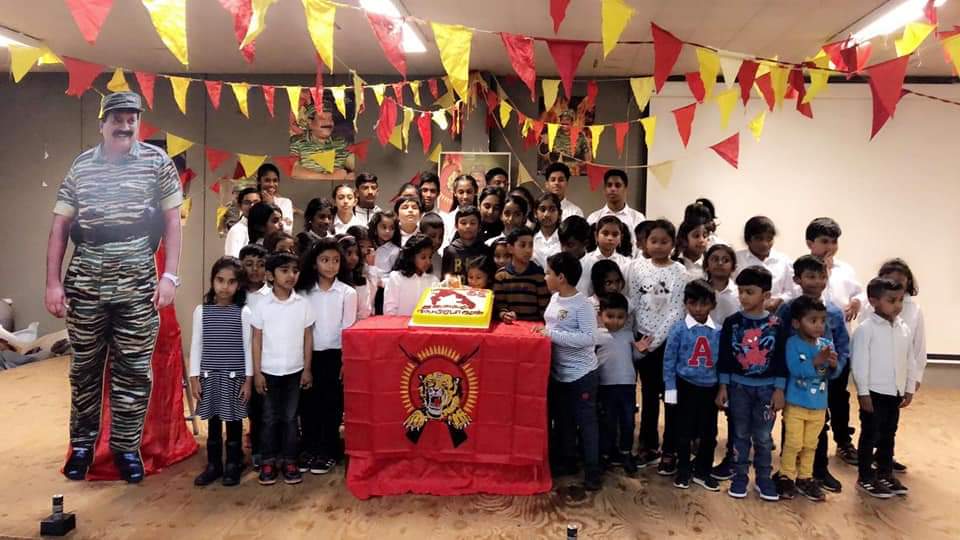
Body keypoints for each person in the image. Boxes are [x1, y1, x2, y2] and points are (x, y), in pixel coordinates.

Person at [48, 92, 184, 483]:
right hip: (86, 277)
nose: (125, 126)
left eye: (132, 119)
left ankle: (126, 449)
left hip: (138, 279)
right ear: (102, 124)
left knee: (134, 370)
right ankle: (82, 446)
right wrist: (53, 282)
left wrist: (169, 276)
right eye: (117, 119)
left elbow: (172, 222)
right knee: (84, 369)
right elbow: (60, 227)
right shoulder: (81, 166)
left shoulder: (157, 163)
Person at [774, 255, 850, 494]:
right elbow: (780, 344)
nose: (817, 282)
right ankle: (786, 473)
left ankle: (817, 471)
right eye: (810, 276)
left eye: (822, 276)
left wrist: (834, 367)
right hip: (795, 389)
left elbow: (842, 346)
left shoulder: (834, 311)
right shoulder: (789, 309)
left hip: (820, 392)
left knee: (816, 433)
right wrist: (780, 382)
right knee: (792, 434)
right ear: (798, 279)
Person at [716, 265, 786, 501]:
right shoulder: (732, 322)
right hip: (738, 388)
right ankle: (740, 476)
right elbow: (725, 357)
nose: (743, 297)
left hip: (767, 389)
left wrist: (779, 389)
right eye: (741, 291)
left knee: (764, 437)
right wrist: (723, 386)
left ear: (766, 295)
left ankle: (764, 477)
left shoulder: (777, 325)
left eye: (749, 292)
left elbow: (781, 359)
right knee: (740, 433)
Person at [626, 219, 689, 473]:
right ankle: (648, 446)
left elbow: (677, 310)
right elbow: (634, 301)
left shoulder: (679, 272)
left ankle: (671, 449)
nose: (659, 246)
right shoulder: (637, 267)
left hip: (668, 344)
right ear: (645, 243)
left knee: (671, 397)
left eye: (664, 241)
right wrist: (636, 339)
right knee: (649, 396)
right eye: (654, 241)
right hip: (642, 341)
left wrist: (653, 342)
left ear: (673, 244)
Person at [251, 251, 315, 486]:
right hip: (268, 371)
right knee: (269, 418)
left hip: (294, 371)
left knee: (290, 418)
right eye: (284, 271)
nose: (291, 276)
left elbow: (308, 338)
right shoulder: (261, 305)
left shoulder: (303, 304)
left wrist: (307, 369)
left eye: (295, 271)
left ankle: (289, 460)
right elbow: (256, 340)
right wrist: (257, 373)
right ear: (270, 275)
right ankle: (268, 460)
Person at [538, 251, 601, 490]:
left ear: (561, 277)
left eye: (548, 273)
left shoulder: (583, 305)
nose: (545, 277)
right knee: (563, 421)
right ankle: (568, 462)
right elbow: (550, 327)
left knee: (586, 424)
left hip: (581, 375)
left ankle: (593, 472)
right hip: (558, 373)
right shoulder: (555, 298)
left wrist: (551, 335)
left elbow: (589, 338)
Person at [190, 256, 252, 487]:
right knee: (213, 423)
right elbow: (196, 345)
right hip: (210, 377)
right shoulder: (201, 311)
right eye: (220, 280)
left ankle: (234, 463)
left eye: (231, 282)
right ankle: (214, 465)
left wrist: (248, 380)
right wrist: (194, 377)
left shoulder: (243, 312)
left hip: (234, 377)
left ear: (239, 285)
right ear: (212, 280)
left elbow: (248, 348)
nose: (225, 287)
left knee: (233, 422)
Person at [852, 277, 917, 499]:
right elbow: (859, 363)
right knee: (870, 435)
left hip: (894, 392)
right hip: (874, 393)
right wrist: (863, 392)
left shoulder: (903, 328)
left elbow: (910, 359)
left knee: (889, 435)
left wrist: (909, 387)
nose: (897, 305)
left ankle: (885, 473)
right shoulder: (866, 329)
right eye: (891, 300)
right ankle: (865, 477)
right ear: (873, 301)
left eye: (900, 300)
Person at [296, 237, 356, 476]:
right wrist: (304, 362)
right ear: (314, 263)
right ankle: (309, 447)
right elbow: (302, 328)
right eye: (325, 260)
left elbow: (348, 328)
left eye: (335, 260)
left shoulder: (347, 292)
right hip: (308, 355)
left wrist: (345, 360)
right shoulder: (303, 292)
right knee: (308, 404)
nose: (331, 265)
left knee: (332, 405)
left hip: (335, 355)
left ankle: (329, 450)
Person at [779, 296, 840, 502]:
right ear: (797, 323)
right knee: (793, 443)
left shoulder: (826, 344)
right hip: (796, 404)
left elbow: (830, 374)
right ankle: (786, 476)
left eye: (822, 320)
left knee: (810, 444)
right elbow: (795, 370)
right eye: (813, 320)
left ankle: (805, 477)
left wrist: (833, 365)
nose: (819, 325)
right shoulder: (792, 343)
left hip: (819, 405)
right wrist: (816, 361)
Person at [663, 280, 721, 491]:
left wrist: (724, 389)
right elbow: (669, 360)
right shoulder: (679, 329)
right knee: (683, 431)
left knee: (709, 433)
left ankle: (703, 471)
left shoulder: (719, 331)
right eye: (692, 303)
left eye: (703, 304)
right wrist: (670, 387)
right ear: (685, 303)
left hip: (710, 388)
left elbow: (722, 363)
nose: (698, 309)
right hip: (685, 386)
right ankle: (683, 470)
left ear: (712, 304)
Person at [595, 293, 638, 475]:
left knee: (628, 421)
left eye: (620, 317)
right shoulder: (597, 336)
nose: (615, 321)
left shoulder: (629, 335)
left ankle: (626, 453)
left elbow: (635, 357)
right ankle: (605, 454)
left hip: (627, 386)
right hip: (605, 386)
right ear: (600, 315)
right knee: (607, 422)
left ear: (627, 317)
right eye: (610, 316)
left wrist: (641, 350)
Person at [239, 244, 269, 469]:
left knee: (267, 408)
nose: (255, 269)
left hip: (267, 359)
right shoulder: (236, 295)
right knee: (251, 409)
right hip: (241, 360)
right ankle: (254, 448)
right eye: (249, 264)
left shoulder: (272, 294)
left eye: (260, 265)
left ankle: (268, 450)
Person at [805, 218, 865, 324]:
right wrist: (824, 271)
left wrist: (857, 301)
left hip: (841, 330)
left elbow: (860, 294)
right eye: (824, 241)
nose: (830, 247)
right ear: (810, 244)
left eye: (834, 242)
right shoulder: (800, 268)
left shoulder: (845, 269)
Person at [492, 226, 550, 322]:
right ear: (510, 248)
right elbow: (500, 306)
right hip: (510, 326)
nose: (528, 250)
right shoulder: (501, 276)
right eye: (522, 245)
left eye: (531, 245)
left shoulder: (539, 275)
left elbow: (544, 309)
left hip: (534, 326)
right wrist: (504, 315)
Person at [735, 216, 793, 310]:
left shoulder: (784, 260)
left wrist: (779, 300)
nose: (765, 244)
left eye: (769, 239)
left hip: (777, 313)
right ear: (748, 240)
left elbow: (792, 291)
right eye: (759, 239)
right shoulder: (736, 259)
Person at [290, 105, 355, 181]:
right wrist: (330, 177)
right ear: (310, 122)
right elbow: (293, 170)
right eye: (322, 118)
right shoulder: (296, 142)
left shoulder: (341, 143)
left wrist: (354, 176)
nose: (328, 123)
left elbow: (358, 165)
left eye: (330, 119)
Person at [383, 234, 439, 316]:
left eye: (430, 257)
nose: (428, 262)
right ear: (411, 257)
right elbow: (389, 311)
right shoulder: (396, 278)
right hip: (399, 324)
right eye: (423, 257)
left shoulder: (434, 280)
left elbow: (436, 310)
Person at [587, 169, 645, 245]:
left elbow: (642, 247)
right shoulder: (593, 218)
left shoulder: (638, 218)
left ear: (625, 189)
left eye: (617, 185)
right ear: (604, 189)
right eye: (609, 185)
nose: (613, 189)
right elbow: (589, 247)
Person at [579, 216, 630, 297]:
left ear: (621, 237)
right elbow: (584, 291)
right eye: (605, 233)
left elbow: (626, 291)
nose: (610, 238)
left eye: (615, 234)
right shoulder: (584, 262)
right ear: (596, 236)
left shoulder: (627, 264)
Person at [441, 206, 488, 278]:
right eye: (463, 223)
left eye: (472, 223)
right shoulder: (449, 251)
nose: (468, 226)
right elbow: (444, 278)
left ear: (479, 226)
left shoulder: (485, 251)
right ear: (456, 226)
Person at [370, 210, 399, 315]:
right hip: (368, 285)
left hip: (383, 289)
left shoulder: (395, 250)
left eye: (391, 228)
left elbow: (395, 275)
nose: (387, 231)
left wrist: (382, 282)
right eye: (383, 227)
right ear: (375, 228)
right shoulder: (369, 246)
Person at [337, 234, 372, 320]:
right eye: (349, 253)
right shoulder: (330, 280)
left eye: (357, 254)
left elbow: (364, 312)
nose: (354, 258)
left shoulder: (361, 281)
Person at [346, 225, 377, 319]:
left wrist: (371, 266)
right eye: (361, 246)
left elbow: (370, 299)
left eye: (369, 247)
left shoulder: (367, 267)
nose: (364, 251)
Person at [704, 244, 739, 325]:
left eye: (726, 260)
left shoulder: (739, 293)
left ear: (733, 267)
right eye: (715, 259)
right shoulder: (699, 291)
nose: (720, 263)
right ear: (706, 265)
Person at [255, 164, 294, 234]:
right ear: (259, 181)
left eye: (275, 180)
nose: (271, 184)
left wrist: (272, 205)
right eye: (267, 180)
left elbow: (288, 230)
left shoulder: (285, 202)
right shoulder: (253, 202)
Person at [558, 216, 592, 294]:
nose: (564, 250)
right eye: (562, 244)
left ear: (585, 243)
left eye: (570, 245)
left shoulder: (594, 267)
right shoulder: (554, 265)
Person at [225, 187, 261, 256]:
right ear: (240, 206)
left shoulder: (265, 228)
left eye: (256, 202)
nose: (252, 206)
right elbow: (232, 260)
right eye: (247, 203)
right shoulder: (237, 230)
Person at [533, 193, 562, 268]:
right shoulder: (531, 239)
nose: (547, 214)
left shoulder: (564, 240)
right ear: (535, 213)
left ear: (559, 213)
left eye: (552, 210)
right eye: (542, 210)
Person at [419, 212, 445, 278]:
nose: (437, 241)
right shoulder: (412, 258)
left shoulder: (439, 259)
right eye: (432, 236)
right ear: (421, 234)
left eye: (441, 237)